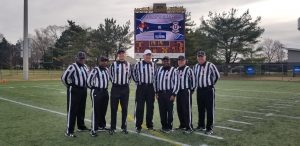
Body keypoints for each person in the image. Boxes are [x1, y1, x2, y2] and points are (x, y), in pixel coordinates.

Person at [61, 51, 90, 137]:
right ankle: (69, 131)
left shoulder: (85, 66)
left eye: (83, 58)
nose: (82, 60)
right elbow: (63, 78)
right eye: (80, 58)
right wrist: (69, 86)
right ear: (77, 58)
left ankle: (81, 126)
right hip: (75, 90)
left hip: (83, 90)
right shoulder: (72, 66)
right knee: (72, 110)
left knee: (81, 109)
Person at [194, 51, 220, 135]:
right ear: (197, 58)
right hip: (200, 90)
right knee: (200, 109)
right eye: (199, 57)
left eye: (202, 56)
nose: (200, 58)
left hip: (208, 90)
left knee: (210, 109)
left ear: (205, 57)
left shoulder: (210, 65)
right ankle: (201, 125)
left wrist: (211, 84)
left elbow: (217, 76)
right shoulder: (196, 66)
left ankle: (209, 128)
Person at [132, 49, 156, 133]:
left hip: (150, 88)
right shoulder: (138, 64)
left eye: (149, 55)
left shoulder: (153, 64)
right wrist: (138, 82)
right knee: (139, 107)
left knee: (150, 107)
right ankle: (138, 126)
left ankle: (150, 125)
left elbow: (155, 76)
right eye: (147, 55)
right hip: (141, 87)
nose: (148, 56)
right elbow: (133, 73)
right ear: (143, 56)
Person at [109, 49, 131, 135]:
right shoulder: (113, 64)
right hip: (115, 88)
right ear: (118, 55)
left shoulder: (128, 64)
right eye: (120, 54)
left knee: (124, 108)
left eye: (123, 53)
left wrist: (126, 84)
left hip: (125, 88)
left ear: (125, 55)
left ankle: (124, 127)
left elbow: (129, 76)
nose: (121, 55)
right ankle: (112, 127)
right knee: (113, 108)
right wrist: (115, 82)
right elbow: (110, 75)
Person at [155, 56, 179, 133]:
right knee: (162, 111)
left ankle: (169, 127)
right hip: (161, 93)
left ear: (169, 61)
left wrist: (174, 94)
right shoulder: (159, 70)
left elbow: (176, 83)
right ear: (162, 62)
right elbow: (156, 81)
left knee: (170, 111)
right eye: (164, 61)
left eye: (167, 61)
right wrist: (156, 92)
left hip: (169, 93)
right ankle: (164, 126)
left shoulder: (174, 70)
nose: (166, 62)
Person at [87, 56, 110, 137]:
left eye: (105, 61)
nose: (104, 62)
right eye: (102, 61)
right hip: (97, 91)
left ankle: (101, 126)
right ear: (99, 61)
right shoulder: (95, 70)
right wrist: (94, 88)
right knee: (96, 110)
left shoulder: (107, 70)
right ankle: (93, 129)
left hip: (105, 91)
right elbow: (88, 81)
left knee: (103, 110)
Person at [176, 55, 196, 134]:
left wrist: (191, 90)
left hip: (186, 91)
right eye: (179, 60)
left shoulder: (188, 69)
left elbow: (194, 81)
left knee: (186, 109)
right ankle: (182, 124)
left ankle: (189, 127)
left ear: (185, 61)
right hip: (178, 91)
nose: (180, 61)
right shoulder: (176, 69)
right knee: (179, 109)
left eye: (182, 60)